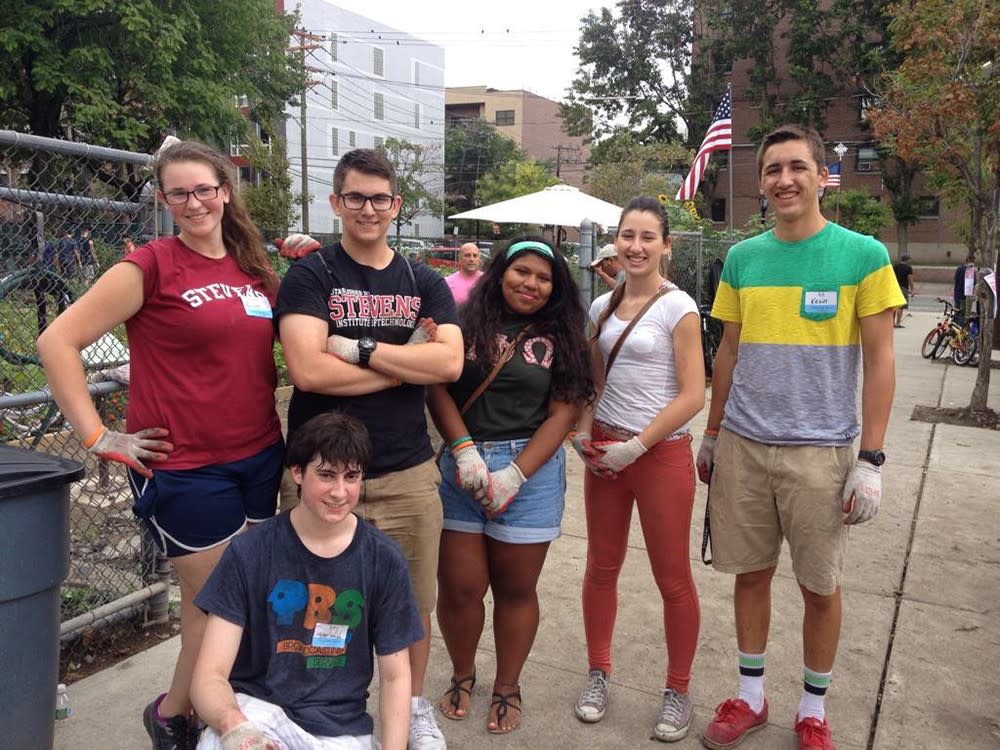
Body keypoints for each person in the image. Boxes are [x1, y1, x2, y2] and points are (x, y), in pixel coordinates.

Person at [38, 140, 284, 750]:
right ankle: (179, 714)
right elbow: (56, 342)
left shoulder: (253, 267)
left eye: (204, 189)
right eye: (179, 193)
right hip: (186, 466)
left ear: (224, 190)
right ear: (163, 199)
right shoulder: (149, 265)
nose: (194, 203)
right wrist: (98, 435)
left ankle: (199, 707)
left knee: (232, 600)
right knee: (218, 604)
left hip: (259, 454)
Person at [695, 124, 904, 750]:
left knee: (820, 586)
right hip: (744, 446)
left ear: (821, 176)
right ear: (760, 182)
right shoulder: (743, 259)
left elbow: (881, 361)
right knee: (750, 575)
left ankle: (813, 709)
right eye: (772, 170)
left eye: (796, 167)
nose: (783, 180)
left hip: (822, 451)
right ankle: (751, 698)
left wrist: (871, 459)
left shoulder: (863, 255)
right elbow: (728, 351)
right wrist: (712, 432)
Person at [276, 147, 464, 750]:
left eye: (379, 198)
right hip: (322, 472)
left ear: (396, 205)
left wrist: (358, 352)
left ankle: (412, 708)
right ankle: (315, 709)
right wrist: (404, 367)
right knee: (316, 604)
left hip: (406, 471)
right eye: (355, 197)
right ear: (336, 202)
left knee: (413, 605)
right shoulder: (311, 275)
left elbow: (450, 363)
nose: (367, 209)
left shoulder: (423, 281)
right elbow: (308, 370)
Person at [427, 236, 593, 735]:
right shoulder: (461, 322)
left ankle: (507, 686)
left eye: (544, 278)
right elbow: (436, 384)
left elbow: (565, 411)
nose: (531, 284)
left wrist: (516, 474)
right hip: (462, 466)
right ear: (500, 272)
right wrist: (463, 450)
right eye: (522, 271)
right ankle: (462, 674)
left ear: (556, 288)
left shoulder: (566, 336)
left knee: (516, 589)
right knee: (460, 587)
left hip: (530, 471)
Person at [190, 412, 422, 750]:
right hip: (256, 714)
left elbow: (396, 675)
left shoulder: (383, 558)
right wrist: (236, 728)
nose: (340, 492)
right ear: (297, 472)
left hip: (340, 730)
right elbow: (209, 675)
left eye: (351, 476)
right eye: (326, 475)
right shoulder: (249, 552)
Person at [571, 197, 705, 742]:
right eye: (627, 235)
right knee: (601, 566)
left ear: (666, 245)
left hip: (660, 454)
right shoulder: (602, 306)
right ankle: (597, 672)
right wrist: (583, 431)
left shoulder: (680, 307)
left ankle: (678, 689)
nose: (636, 246)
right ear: (615, 241)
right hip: (605, 453)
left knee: (672, 577)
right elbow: (592, 381)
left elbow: (693, 394)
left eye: (648, 237)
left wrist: (639, 445)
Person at [892, 254, 914, 327]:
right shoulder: (908, 268)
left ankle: (892, 322)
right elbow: (910, 279)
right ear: (907, 260)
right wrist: (912, 289)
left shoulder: (895, 266)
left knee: (894, 305)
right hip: (903, 288)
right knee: (901, 307)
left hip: (895, 287)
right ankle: (898, 323)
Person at [953, 253, 976, 323]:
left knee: (956, 312)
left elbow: (955, 279)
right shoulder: (970, 270)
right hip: (965, 296)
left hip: (957, 294)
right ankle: (960, 327)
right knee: (963, 315)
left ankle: (955, 326)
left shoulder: (959, 268)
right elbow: (973, 284)